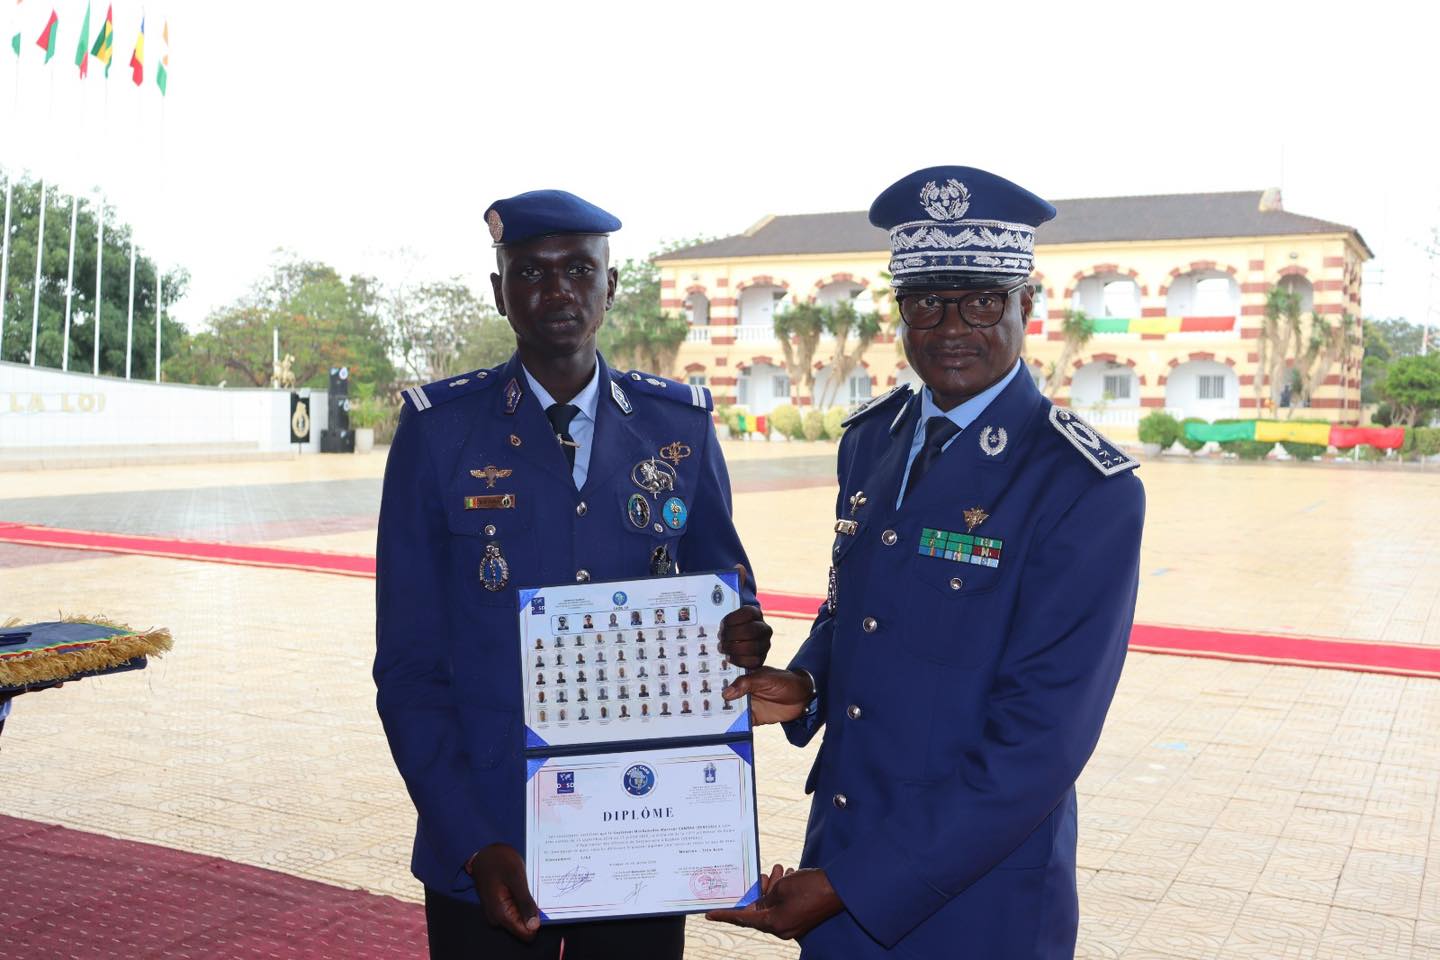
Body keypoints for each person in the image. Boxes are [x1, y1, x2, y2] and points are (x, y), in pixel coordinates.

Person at [709, 166, 1145, 958]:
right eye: (926, 301)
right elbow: (855, 608)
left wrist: (850, 884)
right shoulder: (870, 442)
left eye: (982, 298)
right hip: (842, 853)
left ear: (1027, 304)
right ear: (900, 310)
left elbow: (1039, 744)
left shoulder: (1081, 485)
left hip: (978, 901)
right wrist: (806, 685)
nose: (951, 325)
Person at [375, 188, 773, 959]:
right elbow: (408, 669)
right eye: (529, 272)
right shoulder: (440, 434)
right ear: (499, 292)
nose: (555, 290)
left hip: (645, 829)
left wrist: (740, 630)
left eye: (577, 270)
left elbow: (726, 583)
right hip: (492, 838)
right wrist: (469, 841)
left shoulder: (677, 426)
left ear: (610, 286)